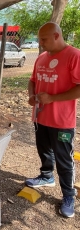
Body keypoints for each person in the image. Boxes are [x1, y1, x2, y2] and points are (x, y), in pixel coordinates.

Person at [25, 22, 80, 218]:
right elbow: (32, 81)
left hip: (62, 122)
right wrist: (32, 96)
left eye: (44, 39)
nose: (40, 43)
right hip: (40, 118)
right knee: (44, 151)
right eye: (39, 39)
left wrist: (53, 98)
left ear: (57, 36)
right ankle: (46, 176)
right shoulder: (41, 57)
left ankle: (68, 196)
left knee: (64, 160)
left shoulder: (74, 56)